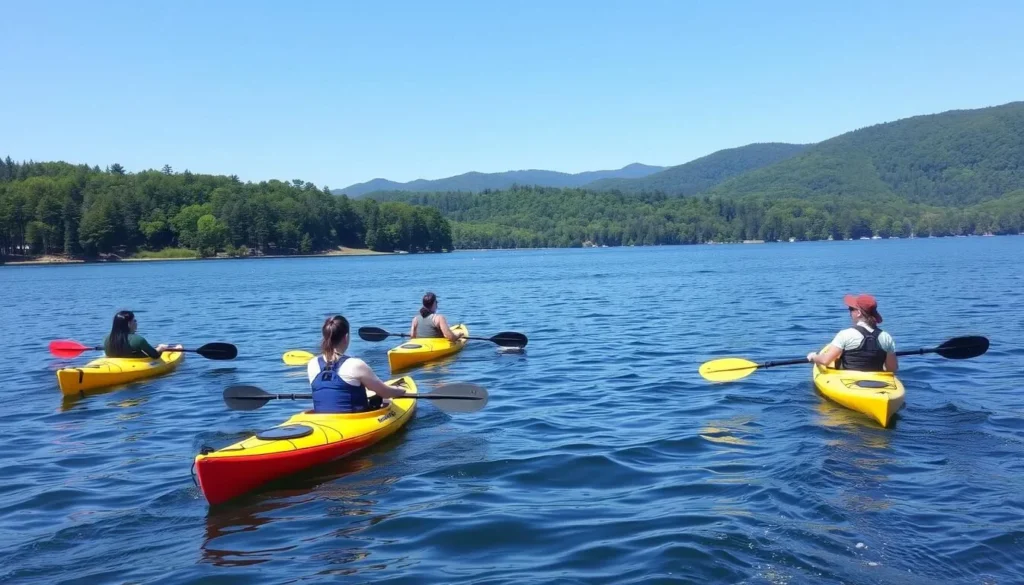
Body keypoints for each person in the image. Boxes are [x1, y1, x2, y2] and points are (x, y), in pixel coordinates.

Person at [308, 315, 409, 413]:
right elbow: (385, 393)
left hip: (323, 421)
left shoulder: (312, 364)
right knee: (386, 401)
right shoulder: (356, 365)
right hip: (352, 423)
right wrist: (400, 391)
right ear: (346, 337)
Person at [807, 294, 898, 372]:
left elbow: (825, 360)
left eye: (851, 309)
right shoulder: (886, 337)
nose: (849, 312)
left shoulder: (845, 335)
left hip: (850, 383)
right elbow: (892, 368)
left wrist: (813, 356)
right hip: (876, 385)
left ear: (858, 313)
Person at [103, 310, 180, 358]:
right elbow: (155, 355)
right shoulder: (138, 340)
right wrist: (161, 348)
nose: (136, 323)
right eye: (134, 321)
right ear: (129, 324)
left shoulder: (106, 338)